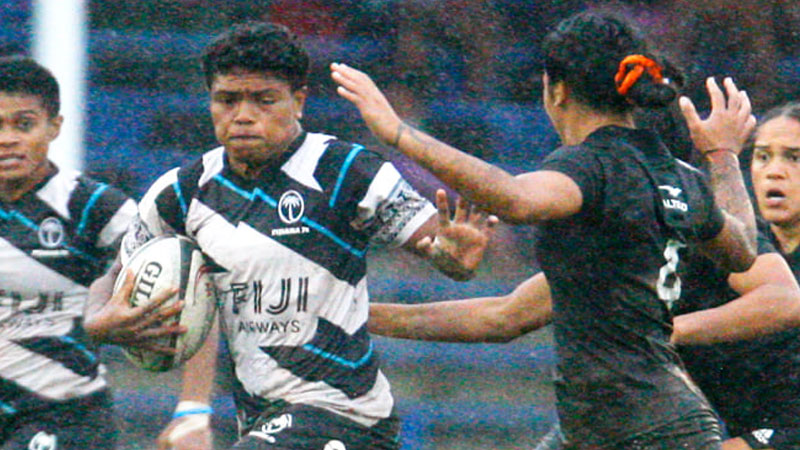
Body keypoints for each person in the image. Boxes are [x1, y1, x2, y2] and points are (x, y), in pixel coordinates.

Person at [332, 10, 760, 450]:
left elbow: (516, 200)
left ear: (556, 90)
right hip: (631, 425)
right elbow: (505, 317)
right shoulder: (678, 178)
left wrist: (399, 133)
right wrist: (724, 156)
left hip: (639, 429)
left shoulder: (591, 167)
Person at [83, 22, 495, 450]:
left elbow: (442, 249)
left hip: (345, 416)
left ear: (298, 101)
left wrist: (453, 254)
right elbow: (113, 274)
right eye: (227, 100)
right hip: (262, 419)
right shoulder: (182, 193)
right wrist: (99, 321)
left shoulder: (346, 170)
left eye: (264, 100)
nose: (243, 115)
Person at [0, 56, 137, 449]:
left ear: (54, 126)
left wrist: (192, 406)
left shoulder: (93, 206)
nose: (7, 138)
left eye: (23, 125)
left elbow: (188, 280)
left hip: (65, 416)